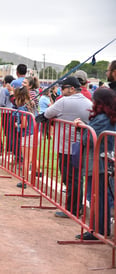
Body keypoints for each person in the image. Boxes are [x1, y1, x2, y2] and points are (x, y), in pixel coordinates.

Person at [43, 76, 93, 218]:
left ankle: (73, 209)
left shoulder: (64, 101)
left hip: (66, 146)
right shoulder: (88, 101)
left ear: (72, 89)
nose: (61, 90)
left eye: (63, 87)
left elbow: (47, 114)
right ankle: (77, 207)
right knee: (76, 178)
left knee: (69, 178)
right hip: (80, 146)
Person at [73, 87, 116, 240]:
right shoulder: (108, 117)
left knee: (98, 196)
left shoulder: (103, 118)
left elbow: (89, 139)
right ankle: (100, 228)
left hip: (99, 163)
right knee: (101, 196)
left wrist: (83, 128)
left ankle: (99, 230)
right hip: (104, 161)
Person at [13, 86, 37, 187]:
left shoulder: (22, 107)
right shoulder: (31, 104)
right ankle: (32, 177)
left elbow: (24, 124)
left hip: (27, 134)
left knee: (26, 159)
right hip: (34, 133)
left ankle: (24, 181)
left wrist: (16, 125)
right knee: (31, 157)